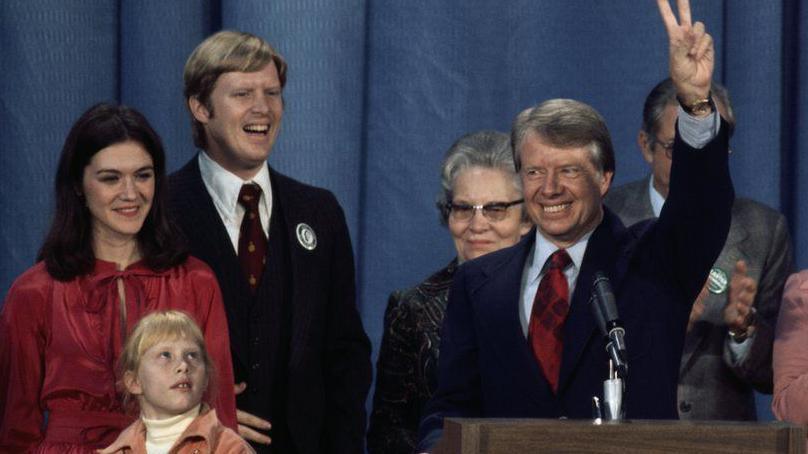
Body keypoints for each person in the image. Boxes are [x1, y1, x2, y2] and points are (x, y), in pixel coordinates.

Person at [417, 0, 734, 449]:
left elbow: (701, 208)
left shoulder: (654, 262)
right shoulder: (478, 284)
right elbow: (451, 405)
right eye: (533, 172)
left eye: (567, 171)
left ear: (604, 178)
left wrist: (696, 104)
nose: (549, 188)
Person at [169, 31, 372, 454]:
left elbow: (345, 355)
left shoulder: (319, 211)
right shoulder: (161, 211)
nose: (263, 108)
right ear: (200, 107)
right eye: (242, 93)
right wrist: (196, 416)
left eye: (273, 93)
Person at [0, 103, 237, 453]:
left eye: (143, 175)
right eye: (111, 178)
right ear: (79, 185)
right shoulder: (34, 292)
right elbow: (15, 430)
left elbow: (220, 418)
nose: (131, 193)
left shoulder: (196, 281)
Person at [605, 78, 793, 420]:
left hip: (720, 437)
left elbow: (776, 377)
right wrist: (662, 316)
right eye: (681, 147)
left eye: (712, 145)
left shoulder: (764, 229)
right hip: (629, 431)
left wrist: (743, 330)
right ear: (646, 145)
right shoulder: (609, 219)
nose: (698, 159)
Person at [367, 130, 531, 454]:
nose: (477, 224)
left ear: (526, 219)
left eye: (495, 209)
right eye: (463, 208)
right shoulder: (412, 307)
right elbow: (388, 434)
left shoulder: (552, 297)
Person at [100, 310, 253, 453]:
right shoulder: (119, 450)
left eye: (192, 355)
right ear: (134, 382)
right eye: (165, 355)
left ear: (206, 378)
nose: (183, 365)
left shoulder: (229, 448)